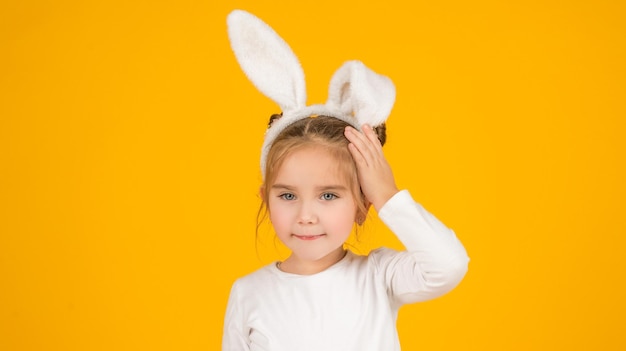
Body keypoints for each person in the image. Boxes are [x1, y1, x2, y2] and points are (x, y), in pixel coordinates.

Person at [223, 9, 469, 351]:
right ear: (265, 197)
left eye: (328, 196)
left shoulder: (379, 277)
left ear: (361, 205)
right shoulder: (248, 293)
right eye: (288, 196)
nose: (306, 215)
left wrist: (388, 195)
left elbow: (450, 264)